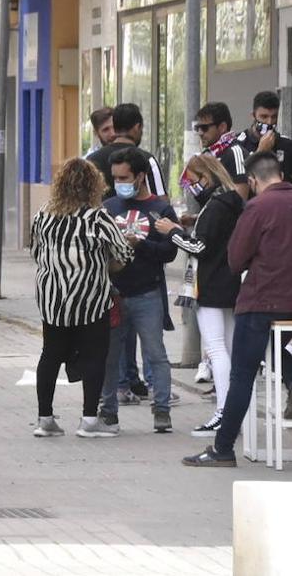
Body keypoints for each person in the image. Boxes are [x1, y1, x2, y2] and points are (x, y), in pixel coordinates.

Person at [182, 151, 292, 468]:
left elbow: (236, 259)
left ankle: (222, 448)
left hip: (263, 299)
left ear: (253, 180)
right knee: (276, 349)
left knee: (243, 373)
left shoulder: (257, 207)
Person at [29, 159, 134, 439]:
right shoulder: (97, 218)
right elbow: (124, 254)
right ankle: (89, 420)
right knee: (93, 356)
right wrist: (104, 265)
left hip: (52, 297)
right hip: (90, 298)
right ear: (93, 185)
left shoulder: (43, 215)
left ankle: (45, 419)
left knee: (50, 354)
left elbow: (36, 253)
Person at [154, 154, 245, 439]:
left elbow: (200, 246)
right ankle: (233, 413)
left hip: (211, 284)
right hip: (229, 282)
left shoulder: (216, 206)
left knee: (216, 349)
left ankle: (223, 413)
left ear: (207, 176)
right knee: (228, 350)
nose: (193, 188)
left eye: (194, 181)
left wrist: (173, 232)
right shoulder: (231, 202)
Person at [102, 147, 178, 433]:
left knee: (155, 353)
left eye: (124, 177)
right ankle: (107, 410)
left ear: (140, 176)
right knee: (110, 356)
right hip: (113, 295)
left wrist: (141, 244)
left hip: (147, 293)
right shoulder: (108, 208)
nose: (119, 182)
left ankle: (161, 410)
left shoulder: (160, 209)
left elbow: (169, 253)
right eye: (115, 177)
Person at [236, 91, 292, 190]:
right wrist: (261, 152)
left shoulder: (287, 145)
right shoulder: (238, 144)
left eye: (274, 117)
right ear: (253, 115)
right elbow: (237, 183)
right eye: (264, 117)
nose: (269, 122)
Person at [86, 103, 166, 198]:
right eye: (105, 130)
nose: (111, 134)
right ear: (137, 127)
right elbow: (161, 201)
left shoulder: (91, 161)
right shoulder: (148, 159)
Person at [190, 102, 249, 198]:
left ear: (222, 127)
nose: (200, 133)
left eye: (204, 128)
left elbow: (240, 201)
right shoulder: (206, 155)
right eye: (198, 128)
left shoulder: (235, 152)